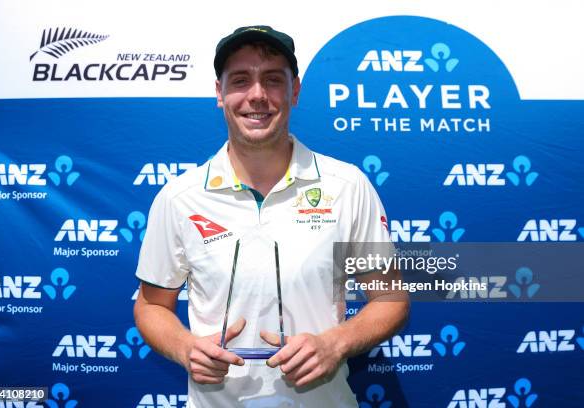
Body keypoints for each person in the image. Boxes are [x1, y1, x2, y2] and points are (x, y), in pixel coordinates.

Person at [134, 25, 409, 408]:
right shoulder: (180, 198)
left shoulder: (347, 186)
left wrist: (334, 343)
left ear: (295, 91)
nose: (257, 95)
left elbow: (390, 298)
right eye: (241, 80)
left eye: (273, 80)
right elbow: (150, 306)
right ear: (220, 93)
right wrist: (185, 348)